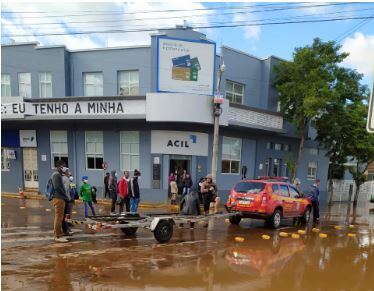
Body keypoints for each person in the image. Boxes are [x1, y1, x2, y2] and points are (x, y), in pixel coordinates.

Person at [51, 160, 71, 243]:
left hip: (60, 198)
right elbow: (58, 187)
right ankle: (57, 236)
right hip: (59, 199)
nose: (64, 168)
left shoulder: (58, 175)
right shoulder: (56, 175)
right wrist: (65, 196)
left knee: (59, 217)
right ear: (59, 166)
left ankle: (57, 233)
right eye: (63, 166)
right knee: (58, 218)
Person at [61, 168, 73, 236]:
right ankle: (67, 229)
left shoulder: (61, 178)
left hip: (63, 199)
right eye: (68, 171)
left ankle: (66, 228)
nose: (69, 173)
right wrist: (68, 199)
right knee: (66, 214)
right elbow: (66, 190)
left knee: (65, 215)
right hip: (66, 199)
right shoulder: (66, 179)